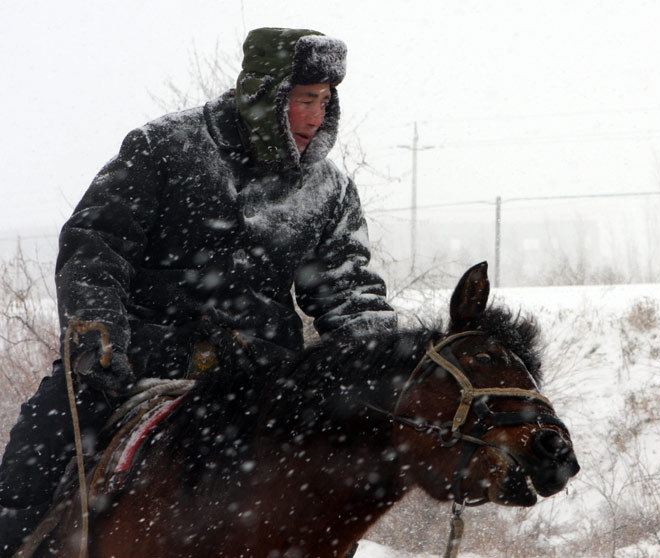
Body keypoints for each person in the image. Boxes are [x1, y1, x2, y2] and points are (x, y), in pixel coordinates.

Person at [0, 27, 397, 555]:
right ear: (264, 94)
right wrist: (96, 329)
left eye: (326, 101)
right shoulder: (164, 147)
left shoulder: (330, 190)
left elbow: (349, 292)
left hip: (259, 384)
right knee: (35, 455)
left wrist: (385, 367)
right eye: (304, 99)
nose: (317, 117)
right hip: (133, 363)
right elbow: (97, 243)